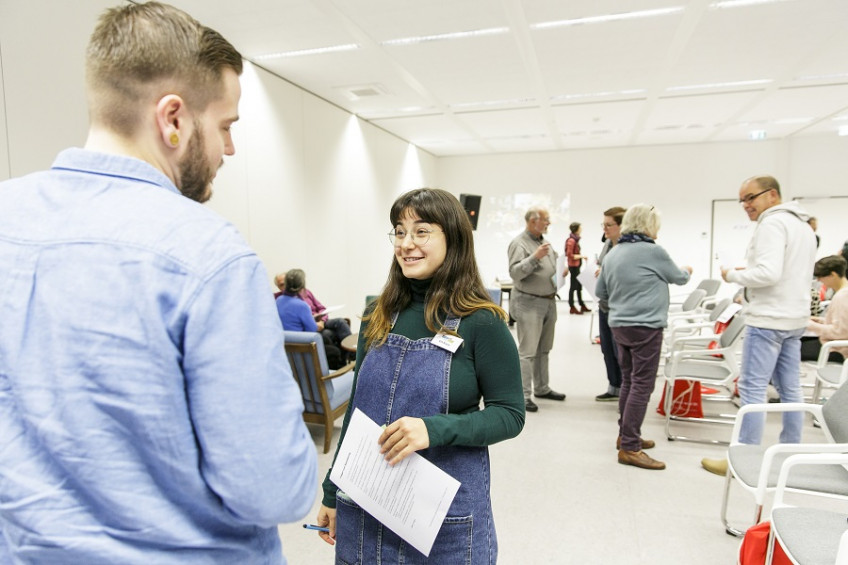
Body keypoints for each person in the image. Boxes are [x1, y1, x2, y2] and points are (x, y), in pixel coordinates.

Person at [0, 3, 317, 563]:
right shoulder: (211, 255)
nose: (230, 150)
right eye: (226, 127)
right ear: (173, 118)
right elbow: (272, 489)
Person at [314, 188, 524, 563]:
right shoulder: (377, 314)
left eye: (421, 231)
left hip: (443, 517)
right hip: (366, 503)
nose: (406, 243)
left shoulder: (483, 322)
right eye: (399, 231)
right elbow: (357, 412)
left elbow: (509, 413)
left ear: (453, 239)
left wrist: (433, 429)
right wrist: (332, 491)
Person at [702, 175, 817, 476]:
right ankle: (790, 452)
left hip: (768, 319)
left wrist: (732, 275)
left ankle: (744, 459)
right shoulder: (802, 226)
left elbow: (767, 274)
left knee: (752, 390)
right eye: (742, 200)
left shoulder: (772, 224)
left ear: (773, 196)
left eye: (751, 197)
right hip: (793, 319)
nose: (746, 205)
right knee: (791, 389)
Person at [595, 204, 692, 470]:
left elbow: (600, 291)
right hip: (645, 326)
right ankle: (630, 447)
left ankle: (626, 434)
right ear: (649, 225)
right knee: (642, 384)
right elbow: (679, 278)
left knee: (628, 380)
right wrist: (687, 270)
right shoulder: (653, 251)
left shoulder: (614, 253)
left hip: (619, 326)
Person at [508, 207, 567, 412]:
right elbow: (515, 273)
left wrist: (561, 272)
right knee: (527, 352)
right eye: (546, 220)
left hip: (548, 301)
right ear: (533, 222)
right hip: (528, 302)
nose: (548, 223)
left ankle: (542, 388)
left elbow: (550, 269)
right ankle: (523, 396)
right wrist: (534, 258)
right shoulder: (519, 243)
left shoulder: (543, 242)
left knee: (544, 349)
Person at [276, 269, 345, 369]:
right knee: (335, 352)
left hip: (287, 346)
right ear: (302, 285)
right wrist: (316, 320)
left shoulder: (279, 300)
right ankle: (331, 376)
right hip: (302, 347)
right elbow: (312, 329)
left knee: (326, 339)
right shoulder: (301, 305)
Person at [595, 207, 627, 401]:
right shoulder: (608, 244)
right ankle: (613, 386)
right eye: (603, 224)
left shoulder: (627, 249)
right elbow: (602, 265)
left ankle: (625, 391)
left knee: (620, 351)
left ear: (621, 225)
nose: (605, 229)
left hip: (620, 308)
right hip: (604, 305)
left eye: (609, 225)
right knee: (607, 349)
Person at [804, 255, 848, 363]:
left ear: (833, 275)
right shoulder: (843, 293)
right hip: (836, 345)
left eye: (821, 277)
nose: (819, 280)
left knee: (789, 350)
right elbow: (842, 324)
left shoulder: (842, 297)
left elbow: (839, 332)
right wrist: (821, 321)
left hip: (835, 349)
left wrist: (810, 325)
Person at [565, 221, 591, 315]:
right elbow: (569, 255)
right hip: (573, 266)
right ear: (576, 229)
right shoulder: (571, 241)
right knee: (573, 287)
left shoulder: (575, 240)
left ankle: (581, 304)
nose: (581, 229)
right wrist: (581, 256)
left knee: (579, 286)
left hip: (576, 266)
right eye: (580, 228)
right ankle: (572, 306)